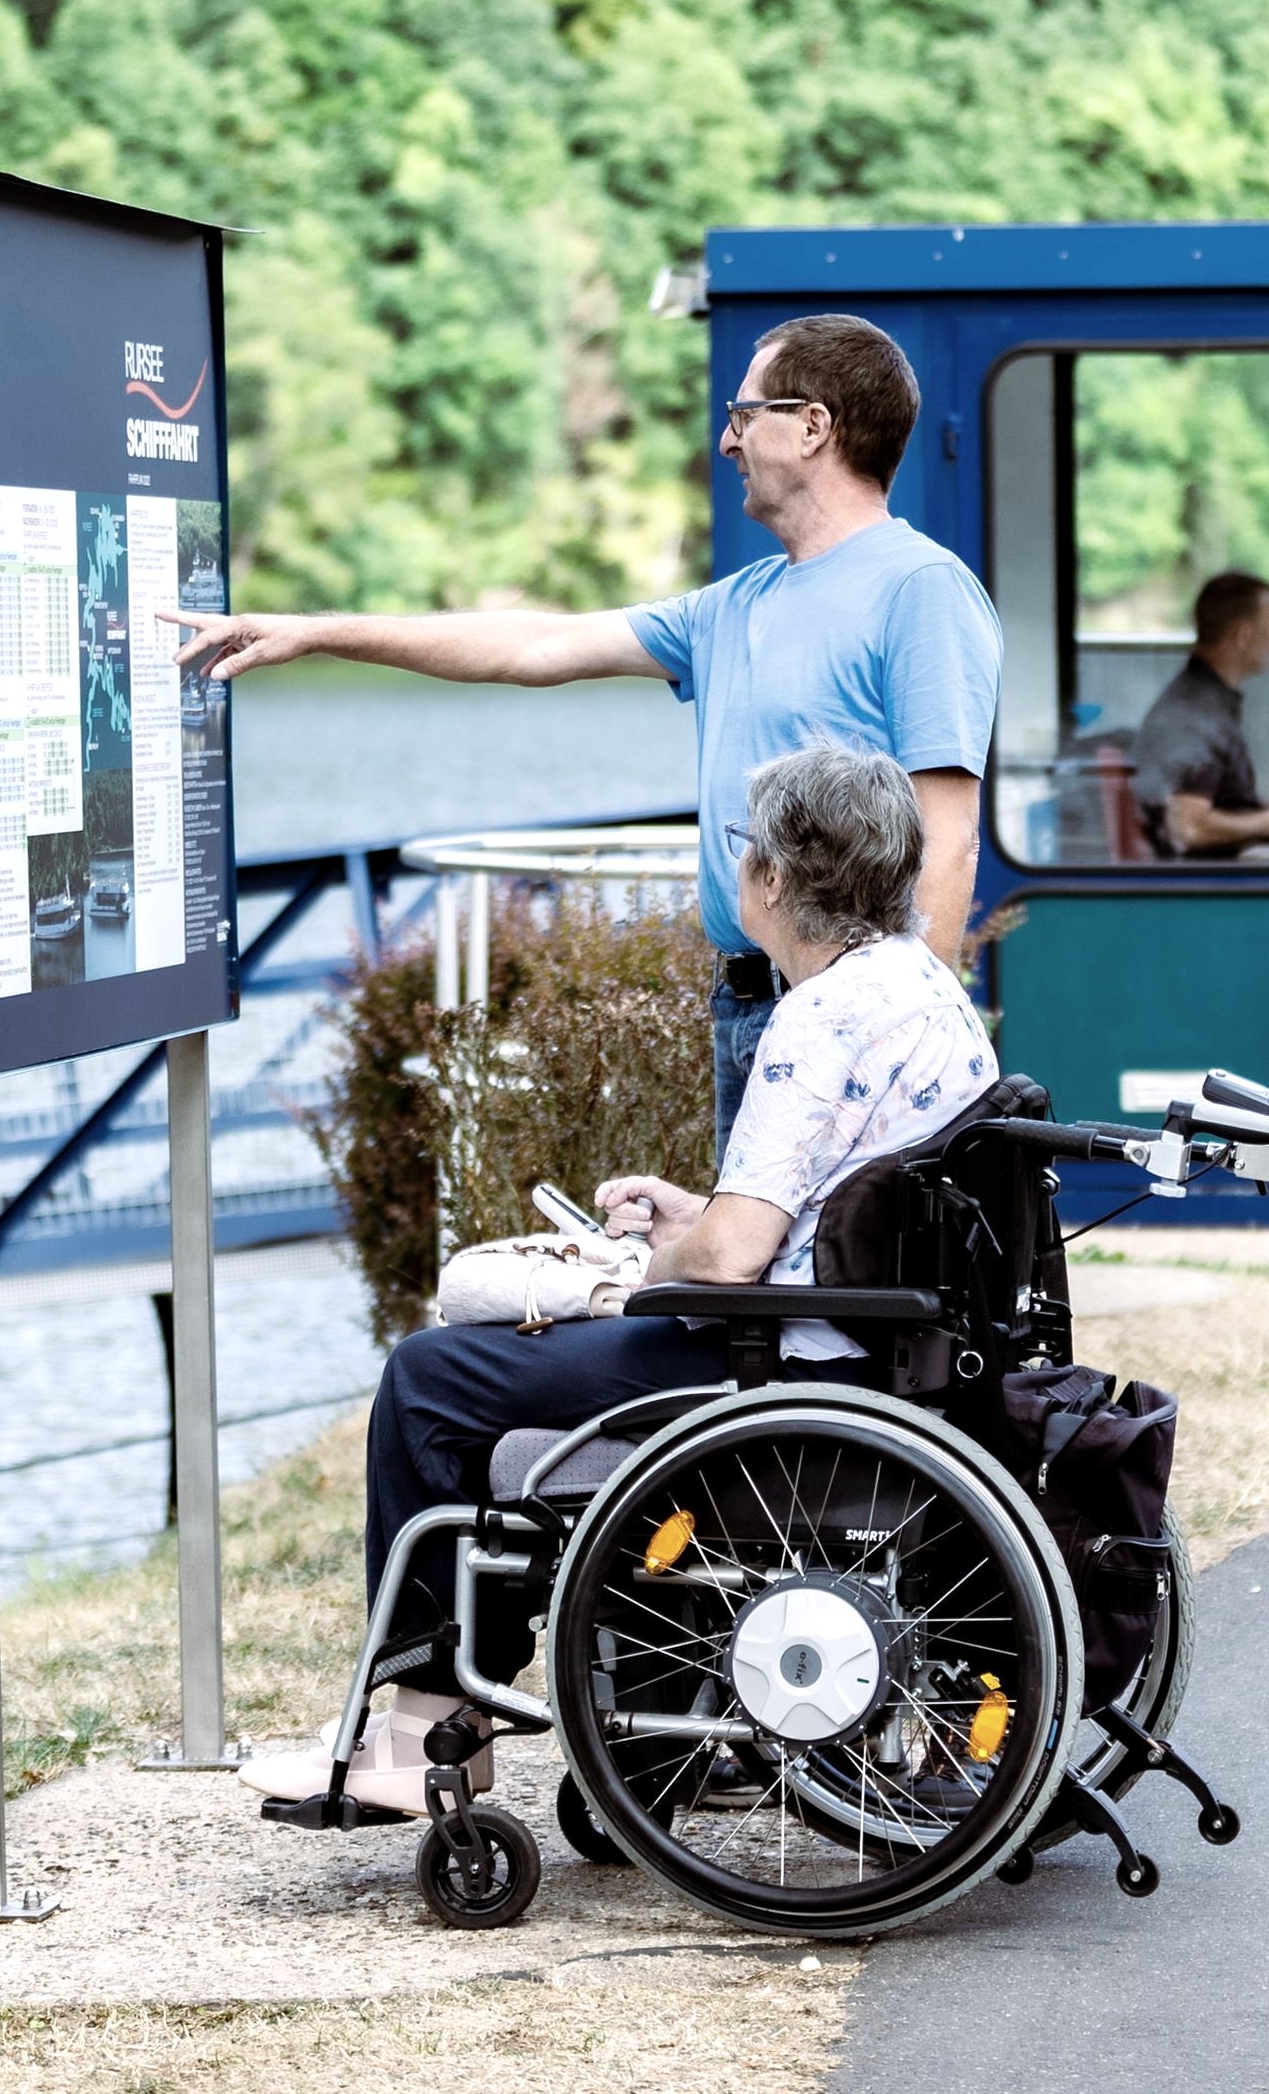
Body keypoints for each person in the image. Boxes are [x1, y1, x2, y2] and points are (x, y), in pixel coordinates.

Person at [247, 744, 999, 1803]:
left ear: (773, 877)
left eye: (744, 849)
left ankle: (423, 1732)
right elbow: (822, 1209)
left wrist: (647, 1263)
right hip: (876, 1344)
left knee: (430, 1379)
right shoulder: (923, 985)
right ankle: (539, 1721)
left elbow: (731, 1260)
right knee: (501, 1371)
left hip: (783, 1364)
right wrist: (703, 1215)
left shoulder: (818, 1017)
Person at [164, 313, 997, 1148]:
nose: (726, 441)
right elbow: (532, 645)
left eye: (743, 415)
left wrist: (904, 1041)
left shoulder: (921, 590)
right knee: (748, 1238)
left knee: (846, 1238)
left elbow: (949, 838)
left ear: (813, 426)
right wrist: (317, 633)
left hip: (854, 1023)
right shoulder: (735, 604)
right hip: (747, 1007)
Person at [1132, 571, 1269, 858]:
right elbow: (1188, 828)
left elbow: (1212, 807)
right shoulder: (1196, 714)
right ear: (1242, 635)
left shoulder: (1206, 701)